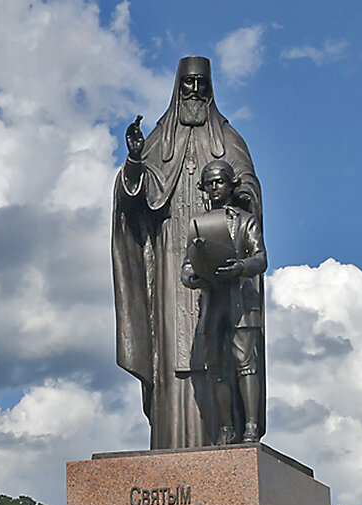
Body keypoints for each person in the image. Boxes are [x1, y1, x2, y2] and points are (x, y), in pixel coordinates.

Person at [111, 56, 264, 449]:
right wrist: (133, 160)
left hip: (222, 270)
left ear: (209, 89)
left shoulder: (229, 140)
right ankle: (170, 441)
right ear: (177, 88)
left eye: (201, 84)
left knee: (226, 356)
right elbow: (132, 198)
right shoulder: (159, 140)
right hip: (170, 260)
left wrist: (240, 198)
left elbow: (249, 190)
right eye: (188, 84)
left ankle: (227, 432)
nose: (194, 91)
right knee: (171, 349)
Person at [181, 160, 266, 444]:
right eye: (209, 183)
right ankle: (226, 427)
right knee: (215, 368)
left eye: (219, 182)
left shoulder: (246, 220)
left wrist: (240, 267)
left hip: (241, 302)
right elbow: (186, 268)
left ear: (231, 184)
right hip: (213, 303)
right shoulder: (199, 224)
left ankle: (251, 427)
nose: (214, 188)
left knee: (245, 364)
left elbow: (260, 259)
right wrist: (195, 278)